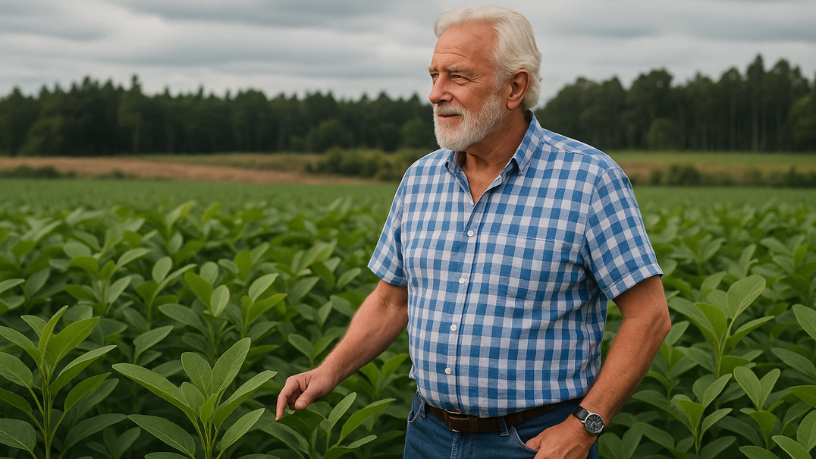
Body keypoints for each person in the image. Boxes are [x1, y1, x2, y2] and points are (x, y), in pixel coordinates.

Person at [277, 5, 671, 459]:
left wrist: (585, 427)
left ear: (514, 87)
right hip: (427, 434)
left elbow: (649, 317)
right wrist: (328, 372)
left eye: (457, 77)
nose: (435, 93)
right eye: (433, 75)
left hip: (535, 442)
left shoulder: (589, 179)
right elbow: (391, 300)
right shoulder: (419, 179)